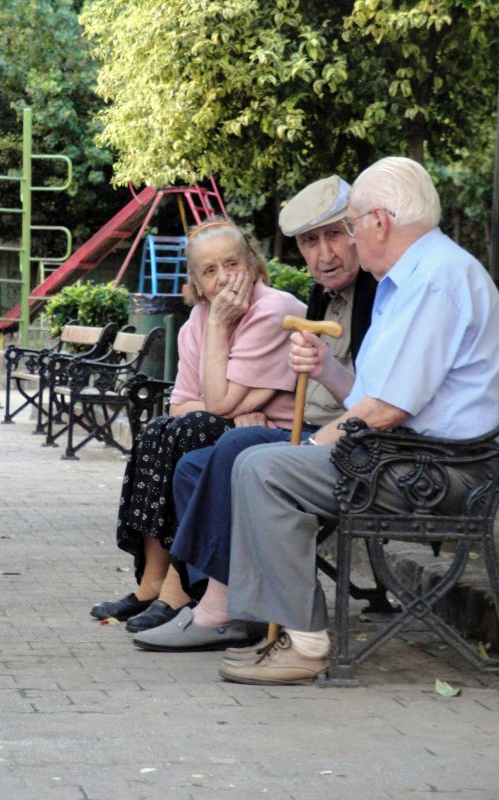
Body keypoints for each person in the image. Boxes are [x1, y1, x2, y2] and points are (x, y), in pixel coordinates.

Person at [214, 156, 499, 685]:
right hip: (414, 459)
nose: (349, 239)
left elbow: (387, 409)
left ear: (380, 222)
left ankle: (304, 644)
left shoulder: (435, 280)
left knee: (264, 469)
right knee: (258, 461)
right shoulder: (414, 278)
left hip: (441, 474)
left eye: (349, 226)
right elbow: (376, 396)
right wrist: (328, 372)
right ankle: (283, 629)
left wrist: (310, 450)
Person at [129, 175, 377, 649]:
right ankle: (213, 598)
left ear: (358, 232)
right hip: (309, 431)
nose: (324, 254)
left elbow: (372, 400)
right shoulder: (323, 294)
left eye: (334, 236)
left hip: (344, 441)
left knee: (229, 442)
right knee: (190, 466)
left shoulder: (373, 294)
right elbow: (189, 400)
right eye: (309, 242)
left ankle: (216, 608)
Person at [90, 218, 305, 624]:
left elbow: (214, 403)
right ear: (197, 283)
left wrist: (221, 334)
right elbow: (181, 404)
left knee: (196, 428)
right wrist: (225, 403)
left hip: (279, 436)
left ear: (254, 266)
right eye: (209, 271)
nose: (223, 279)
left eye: (232, 264)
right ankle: (152, 582)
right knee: (157, 431)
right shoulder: (196, 323)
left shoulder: (273, 308)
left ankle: (179, 586)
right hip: (237, 428)